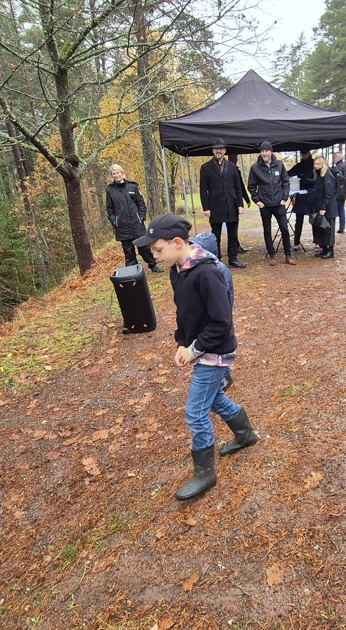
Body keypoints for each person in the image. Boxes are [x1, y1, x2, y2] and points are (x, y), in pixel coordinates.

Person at [133, 214, 258, 501]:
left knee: (195, 412)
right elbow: (185, 313)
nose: (154, 256)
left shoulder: (206, 273)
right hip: (202, 348)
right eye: (152, 251)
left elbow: (221, 323)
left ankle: (205, 472)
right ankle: (245, 434)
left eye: (157, 249)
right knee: (212, 399)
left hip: (216, 351)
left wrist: (193, 349)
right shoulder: (178, 270)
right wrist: (181, 342)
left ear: (177, 243)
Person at [198, 138, 247, 269]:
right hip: (215, 206)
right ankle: (217, 259)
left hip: (231, 204)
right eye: (216, 149)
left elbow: (238, 187)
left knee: (233, 234)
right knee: (216, 235)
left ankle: (233, 258)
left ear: (224, 151)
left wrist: (240, 204)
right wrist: (206, 208)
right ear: (213, 151)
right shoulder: (206, 167)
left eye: (221, 148)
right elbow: (203, 190)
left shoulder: (231, 167)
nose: (218, 151)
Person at [104, 164, 161, 273]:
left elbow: (141, 204)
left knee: (143, 247)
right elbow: (109, 208)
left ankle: (153, 265)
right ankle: (132, 270)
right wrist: (114, 221)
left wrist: (141, 217)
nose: (116, 175)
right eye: (114, 174)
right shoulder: (110, 190)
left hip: (136, 224)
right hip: (122, 226)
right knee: (128, 250)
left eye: (118, 173)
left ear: (122, 173)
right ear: (112, 176)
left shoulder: (132, 187)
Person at [248, 141, 295, 266]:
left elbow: (286, 182)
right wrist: (257, 201)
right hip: (265, 205)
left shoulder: (279, 165)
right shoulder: (255, 168)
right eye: (262, 151)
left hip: (279, 203)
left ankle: (288, 255)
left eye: (266, 150)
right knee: (267, 230)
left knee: (284, 229)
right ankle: (272, 256)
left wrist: (284, 198)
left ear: (271, 152)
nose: (264, 153)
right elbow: (251, 186)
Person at [288, 150, 316, 253]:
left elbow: (318, 179)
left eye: (305, 153)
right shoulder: (300, 165)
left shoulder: (314, 164)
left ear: (308, 153)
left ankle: (317, 242)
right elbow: (289, 173)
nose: (303, 155)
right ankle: (296, 243)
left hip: (312, 195)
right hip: (301, 196)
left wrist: (305, 180)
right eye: (302, 153)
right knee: (298, 221)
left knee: (314, 220)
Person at [312, 155, 338, 259]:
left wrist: (323, 207)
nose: (315, 166)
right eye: (314, 164)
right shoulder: (319, 176)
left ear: (323, 164)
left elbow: (329, 193)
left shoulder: (328, 175)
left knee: (328, 230)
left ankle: (330, 251)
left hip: (328, 207)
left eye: (318, 164)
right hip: (321, 206)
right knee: (321, 229)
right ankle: (324, 249)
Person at [331, 152, 346, 234]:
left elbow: (338, 181)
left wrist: (335, 191)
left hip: (339, 192)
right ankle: (342, 227)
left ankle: (338, 227)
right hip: (344, 191)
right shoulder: (345, 166)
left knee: (335, 210)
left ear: (337, 157)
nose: (333, 159)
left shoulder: (338, 168)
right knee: (341, 209)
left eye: (334, 158)